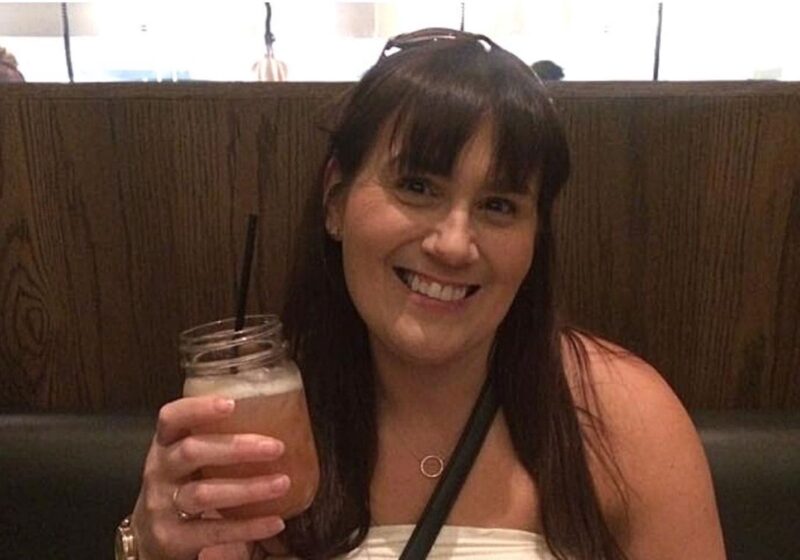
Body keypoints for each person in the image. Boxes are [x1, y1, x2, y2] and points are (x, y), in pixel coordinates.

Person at [124, 28, 725, 559]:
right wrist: (144, 549)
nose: (454, 243)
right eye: (417, 186)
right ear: (336, 199)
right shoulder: (262, 420)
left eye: (498, 206)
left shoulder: (623, 414)